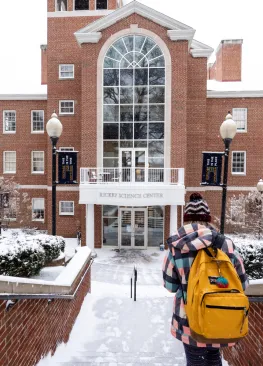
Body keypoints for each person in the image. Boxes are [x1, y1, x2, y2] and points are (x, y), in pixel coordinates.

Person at [163, 192, 249, 366]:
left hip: (189, 319)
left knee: (195, 360)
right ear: (208, 219)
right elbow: (243, 283)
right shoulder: (226, 245)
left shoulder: (176, 247)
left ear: (186, 219)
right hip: (219, 314)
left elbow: (170, 285)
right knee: (214, 357)